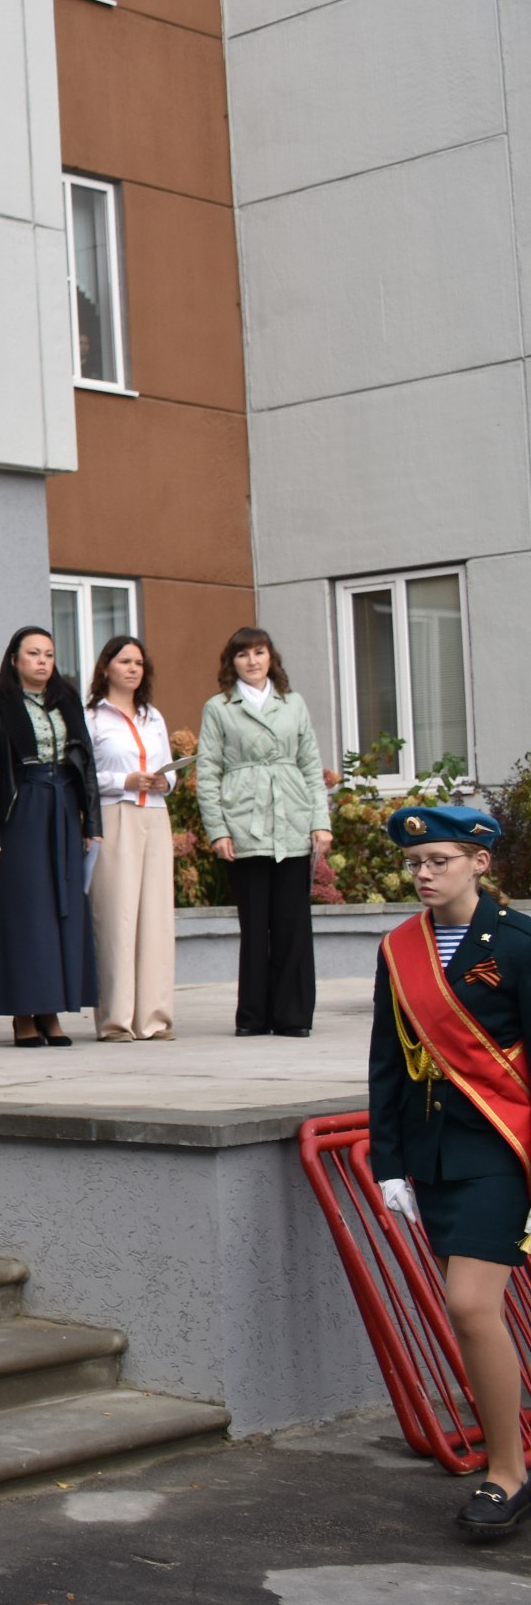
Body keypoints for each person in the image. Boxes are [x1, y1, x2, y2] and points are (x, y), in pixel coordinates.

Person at [366, 804, 531, 1541]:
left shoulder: (518, 943)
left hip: (500, 1148)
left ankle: (507, 1474)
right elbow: (386, 1062)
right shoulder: (400, 948)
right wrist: (388, 1161)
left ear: (479, 863)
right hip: (430, 1153)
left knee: (469, 1306)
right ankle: (507, 1459)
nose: (424, 875)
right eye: (415, 864)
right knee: (475, 1316)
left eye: (439, 861)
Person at [196, 626, 332, 1036]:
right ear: (232, 662)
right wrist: (218, 830)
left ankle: (293, 1016)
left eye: (259, 652)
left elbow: (311, 764)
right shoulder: (219, 707)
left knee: (293, 923)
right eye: (243, 654)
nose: (252, 661)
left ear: (271, 657)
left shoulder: (293, 703)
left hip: (292, 816)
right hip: (244, 820)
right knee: (255, 925)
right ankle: (253, 1016)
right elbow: (207, 772)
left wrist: (320, 822)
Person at [0, 627, 102, 1046]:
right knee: (26, 910)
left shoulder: (66, 701)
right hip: (20, 809)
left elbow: (86, 765)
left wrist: (92, 824)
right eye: (33, 653)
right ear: (14, 660)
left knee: (62, 910)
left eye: (48, 654)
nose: (42, 661)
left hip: (63, 806)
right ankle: (23, 1012)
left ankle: (52, 1008)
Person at [86, 635, 179, 1042]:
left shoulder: (152, 716)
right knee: (116, 916)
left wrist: (165, 781)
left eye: (138, 663)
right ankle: (116, 1019)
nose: (133, 669)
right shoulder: (92, 716)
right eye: (124, 661)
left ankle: (154, 1018)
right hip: (114, 814)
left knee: (156, 917)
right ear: (106, 667)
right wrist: (123, 780)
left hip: (155, 815)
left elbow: (169, 768)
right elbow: (84, 775)